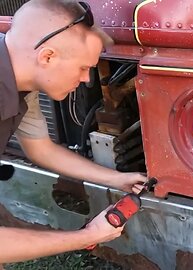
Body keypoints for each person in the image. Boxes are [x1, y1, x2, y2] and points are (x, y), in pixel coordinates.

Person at [0, 0, 147, 266]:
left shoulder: (22, 80)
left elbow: (40, 148)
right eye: (82, 68)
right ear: (47, 56)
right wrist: (87, 236)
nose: (87, 80)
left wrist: (117, 179)